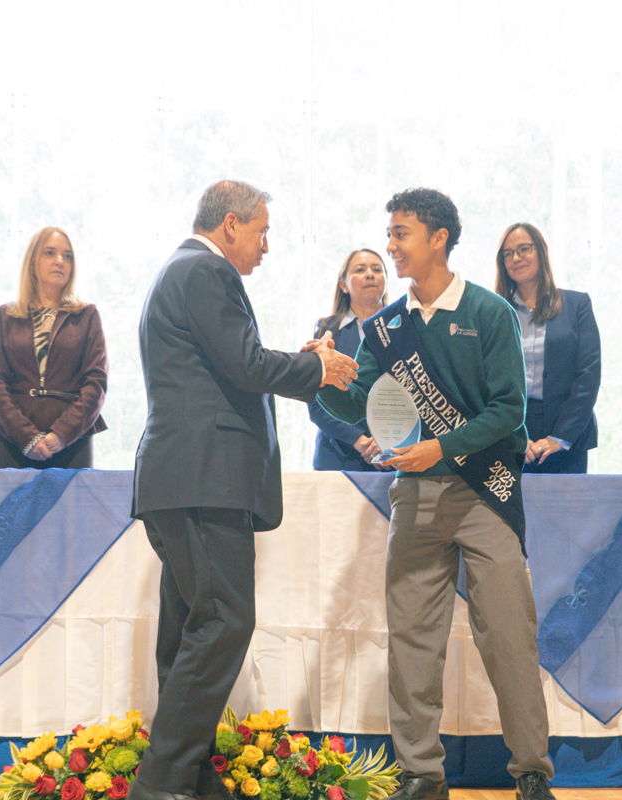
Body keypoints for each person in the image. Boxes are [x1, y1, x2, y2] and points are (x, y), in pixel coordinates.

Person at [317, 189, 556, 800]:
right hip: (415, 496)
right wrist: (321, 376)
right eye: (390, 235)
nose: (390, 247)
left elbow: (509, 410)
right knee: (413, 641)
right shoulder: (384, 326)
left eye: (400, 234)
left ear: (439, 238)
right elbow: (361, 404)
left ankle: (531, 771)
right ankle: (422, 774)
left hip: (485, 495)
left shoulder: (490, 312)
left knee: (509, 637)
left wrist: (441, 447)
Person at [129, 180, 358, 800]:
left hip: (183, 478)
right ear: (230, 224)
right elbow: (247, 365)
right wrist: (319, 368)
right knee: (225, 621)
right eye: (262, 231)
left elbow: (231, 364)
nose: (266, 246)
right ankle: (160, 783)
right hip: (204, 478)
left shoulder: (181, 270)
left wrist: (304, 360)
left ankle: (191, 774)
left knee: (191, 628)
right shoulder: (206, 271)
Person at [0, 227, 108, 469]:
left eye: (67, 256)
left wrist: (61, 435)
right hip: (13, 441)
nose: (60, 261)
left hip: (72, 443)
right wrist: (27, 437)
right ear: (32, 261)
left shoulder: (87, 315)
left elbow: (96, 384)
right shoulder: (4, 316)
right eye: (50, 253)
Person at [494, 223, 600, 473]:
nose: (516, 258)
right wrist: (515, 437)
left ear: (540, 251)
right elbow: (489, 382)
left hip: (568, 432)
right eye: (508, 254)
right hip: (511, 430)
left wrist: (560, 438)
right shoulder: (495, 311)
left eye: (524, 249)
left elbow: (588, 376)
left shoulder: (577, 304)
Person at [307, 249, 389, 470]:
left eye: (377, 269)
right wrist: (359, 440)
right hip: (338, 457)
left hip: (392, 456)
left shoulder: (402, 326)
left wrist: (389, 439)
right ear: (343, 285)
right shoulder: (327, 330)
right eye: (360, 270)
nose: (370, 274)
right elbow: (315, 399)